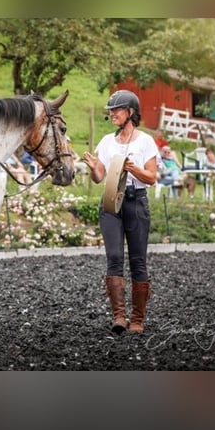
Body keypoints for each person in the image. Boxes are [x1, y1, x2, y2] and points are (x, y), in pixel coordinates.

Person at [82, 90, 158, 334]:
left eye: (117, 109)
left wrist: (133, 168)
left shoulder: (145, 141)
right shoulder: (106, 142)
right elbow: (99, 178)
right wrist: (94, 168)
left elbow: (152, 177)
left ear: (131, 112)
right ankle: (119, 316)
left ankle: (137, 319)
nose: (112, 113)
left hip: (136, 202)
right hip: (110, 203)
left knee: (138, 261)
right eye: (110, 110)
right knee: (114, 257)